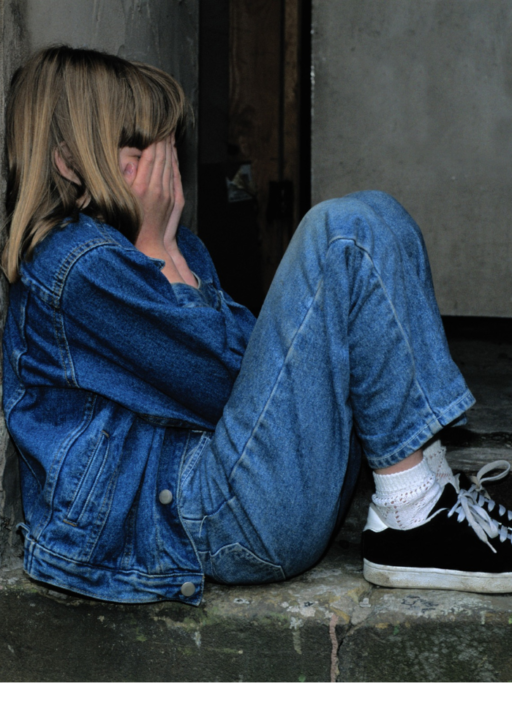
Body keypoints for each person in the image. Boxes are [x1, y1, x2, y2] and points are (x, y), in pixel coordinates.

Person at [2, 46, 512, 606]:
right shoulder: (77, 266)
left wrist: (169, 251)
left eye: (164, 146)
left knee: (374, 214)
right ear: (69, 164)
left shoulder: (154, 248)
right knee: (341, 233)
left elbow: (254, 375)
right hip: (200, 521)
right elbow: (225, 384)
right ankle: (412, 519)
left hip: (232, 488)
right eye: (136, 150)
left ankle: (423, 493)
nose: (162, 169)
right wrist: (162, 250)